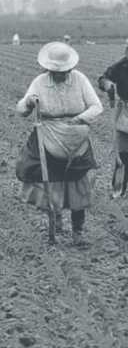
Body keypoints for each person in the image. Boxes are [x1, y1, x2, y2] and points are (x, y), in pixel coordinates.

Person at [16, 42, 102, 245]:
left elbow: (96, 106)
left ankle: (78, 232)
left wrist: (79, 119)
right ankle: (55, 220)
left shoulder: (80, 80)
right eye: (56, 71)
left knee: (78, 182)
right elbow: (21, 110)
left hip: (76, 136)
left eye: (64, 71)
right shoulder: (39, 82)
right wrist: (29, 102)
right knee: (49, 180)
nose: (60, 74)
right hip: (48, 134)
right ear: (48, 68)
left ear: (70, 68)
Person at [97, 42, 128, 194]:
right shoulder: (120, 66)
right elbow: (103, 79)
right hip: (125, 112)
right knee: (122, 152)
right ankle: (119, 188)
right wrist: (107, 85)